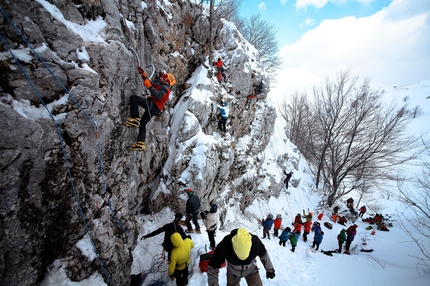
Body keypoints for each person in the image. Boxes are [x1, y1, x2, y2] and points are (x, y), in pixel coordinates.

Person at [124, 68, 175, 151]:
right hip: (155, 109)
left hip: (154, 106)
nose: (161, 77)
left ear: (166, 80)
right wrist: (144, 75)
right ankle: (140, 142)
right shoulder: (162, 86)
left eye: (164, 77)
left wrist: (149, 86)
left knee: (133, 98)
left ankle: (134, 118)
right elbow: (150, 84)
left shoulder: (166, 88)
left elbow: (158, 95)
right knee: (143, 123)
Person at [207, 228, 275, 286]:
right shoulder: (225, 245)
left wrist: (270, 270)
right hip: (233, 271)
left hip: (251, 269)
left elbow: (264, 255)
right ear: (233, 249)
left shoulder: (255, 243)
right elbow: (213, 266)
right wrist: (213, 284)